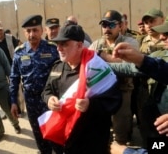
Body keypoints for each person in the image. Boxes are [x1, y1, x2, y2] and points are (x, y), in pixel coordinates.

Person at [42, 24, 121, 153]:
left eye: (64, 44)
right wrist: (49, 99)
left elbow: (115, 101)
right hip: (67, 136)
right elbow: (47, 90)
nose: (59, 48)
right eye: (57, 44)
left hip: (93, 139)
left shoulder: (97, 68)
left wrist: (90, 105)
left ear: (79, 45)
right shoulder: (57, 67)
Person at [110, 21, 168, 154]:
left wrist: (126, 152)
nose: (162, 37)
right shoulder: (160, 55)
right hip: (158, 122)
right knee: (156, 147)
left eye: (167, 34)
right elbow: (162, 70)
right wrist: (140, 59)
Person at [9, 14, 62, 154]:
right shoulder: (19, 53)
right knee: (39, 135)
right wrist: (14, 101)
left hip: (50, 99)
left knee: (55, 134)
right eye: (28, 31)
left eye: (35, 30)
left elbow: (62, 73)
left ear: (42, 30)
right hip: (31, 101)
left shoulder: (52, 49)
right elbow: (14, 78)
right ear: (24, 33)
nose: (32, 34)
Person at [89, 10, 139, 145]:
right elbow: (88, 65)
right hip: (102, 92)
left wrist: (103, 57)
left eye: (111, 25)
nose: (106, 29)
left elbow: (130, 67)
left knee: (121, 128)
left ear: (120, 26)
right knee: (102, 128)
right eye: (104, 25)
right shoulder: (97, 44)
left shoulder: (129, 42)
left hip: (122, 90)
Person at [0, 21, 25, 117]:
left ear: (3, 30)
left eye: (0, 30)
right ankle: (7, 111)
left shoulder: (10, 38)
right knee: (3, 92)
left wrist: (20, 59)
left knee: (16, 89)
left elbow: (21, 46)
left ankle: (19, 110)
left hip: (12, 68)